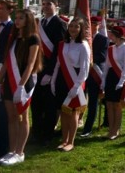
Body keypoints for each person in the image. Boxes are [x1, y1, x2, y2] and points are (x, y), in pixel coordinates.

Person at [0, 9, 42, 166]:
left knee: (23, 117)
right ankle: (11, 150)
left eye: (21, 18)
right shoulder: (14, 38)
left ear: (28, 20)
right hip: (9, 81)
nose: (17, 21)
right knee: (11, 117)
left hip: (24, 81)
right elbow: (6, 61)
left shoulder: (33, 39)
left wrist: (21, 86)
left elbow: (30, 64)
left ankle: (20, 152)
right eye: (16, 18)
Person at [31, 0, 67, 144]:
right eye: (43, 4)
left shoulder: (60, 24)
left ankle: (47, 135)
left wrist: (51, 72)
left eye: (49, 4)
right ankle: (37, 131)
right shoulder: (40, 23)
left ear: (56, 5)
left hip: (51, 71)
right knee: (36, 103)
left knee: (50, 105)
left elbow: (59, 50)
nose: (45, 7)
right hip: (37, 69)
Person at [51, 18, 90, 152]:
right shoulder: (63, 44)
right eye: (71, 26)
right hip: (62, 79)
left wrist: (76, 86)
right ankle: (64, 140)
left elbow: (85, 69)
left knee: (73, 112)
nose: (73, 29)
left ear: (81, 29)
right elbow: (58, 64)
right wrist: (53, 80)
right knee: (63, 111)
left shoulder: (84, 45)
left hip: (75, 80)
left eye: (76, 27)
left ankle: (71, 142)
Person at [81, 17, 109, 137]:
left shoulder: (103, 39)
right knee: (80, 100)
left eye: (94, 24)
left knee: (93, 101)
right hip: (83, 72)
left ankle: (88, 128)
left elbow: (102, 56)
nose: (92, 26)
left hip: (95, 72)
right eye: (90, 23)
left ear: (99, 25)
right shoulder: (83, 38)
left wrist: (89, 60)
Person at [101, 26, 125, 140]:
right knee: (109, 104)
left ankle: (116, 129)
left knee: (117, 105)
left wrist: (122, 81)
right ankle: (111, 129)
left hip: (120, 78)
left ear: (118, 36)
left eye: (112, 35)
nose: (110, 37)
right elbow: (107, 66)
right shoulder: (111, 48)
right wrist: (103, 81)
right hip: (110, 77)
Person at [0, 0, 15, 158]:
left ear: (10, 10)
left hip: (3, 70)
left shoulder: (12, 28)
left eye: (2, 8)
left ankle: (4, 144)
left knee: (2, 110)